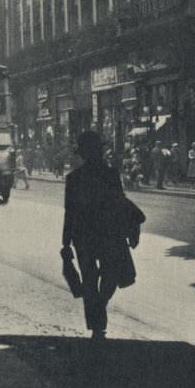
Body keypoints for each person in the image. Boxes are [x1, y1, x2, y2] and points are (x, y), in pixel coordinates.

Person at [62, 131, 141, 340]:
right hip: (108, 233)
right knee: (111, 274)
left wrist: (66, 242)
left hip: (84, 236)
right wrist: (131, 228)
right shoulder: (110, 174)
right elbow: (121, 203)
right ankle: (100, 311)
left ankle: (97, 316)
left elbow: (69, 212)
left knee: (89, 278)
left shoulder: (74, 178)